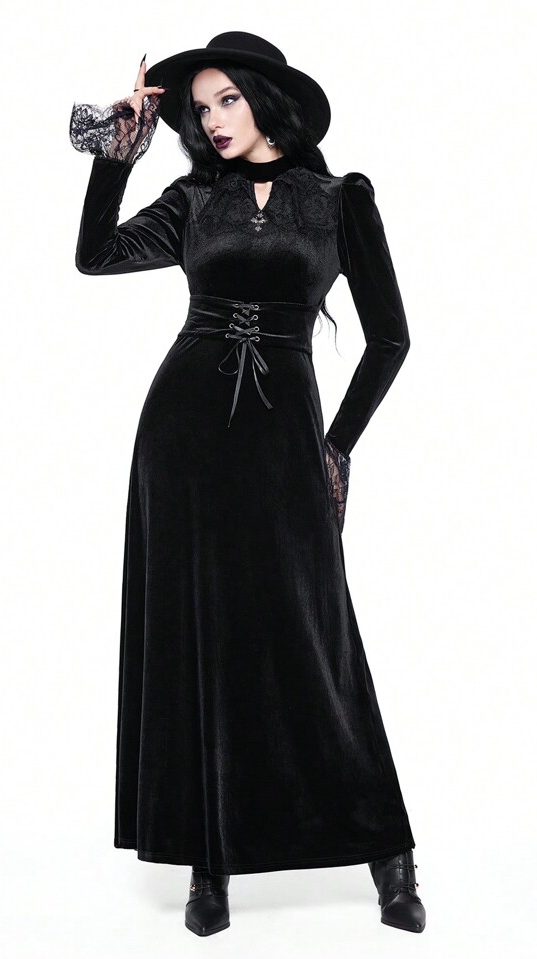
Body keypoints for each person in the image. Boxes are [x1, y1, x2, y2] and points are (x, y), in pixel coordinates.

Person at [69, 31, 425, 938]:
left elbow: (390, 338)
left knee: (317, 634)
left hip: (286, 443)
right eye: (201, 108)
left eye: (228, 99)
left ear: (268, 99)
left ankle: (389, 852)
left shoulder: (339, 200)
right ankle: (208, 862)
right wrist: (117, 150)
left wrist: (336, 448)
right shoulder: (193, 199)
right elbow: (95, 255)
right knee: (198, 635)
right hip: (183, 437)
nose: (214, 119)